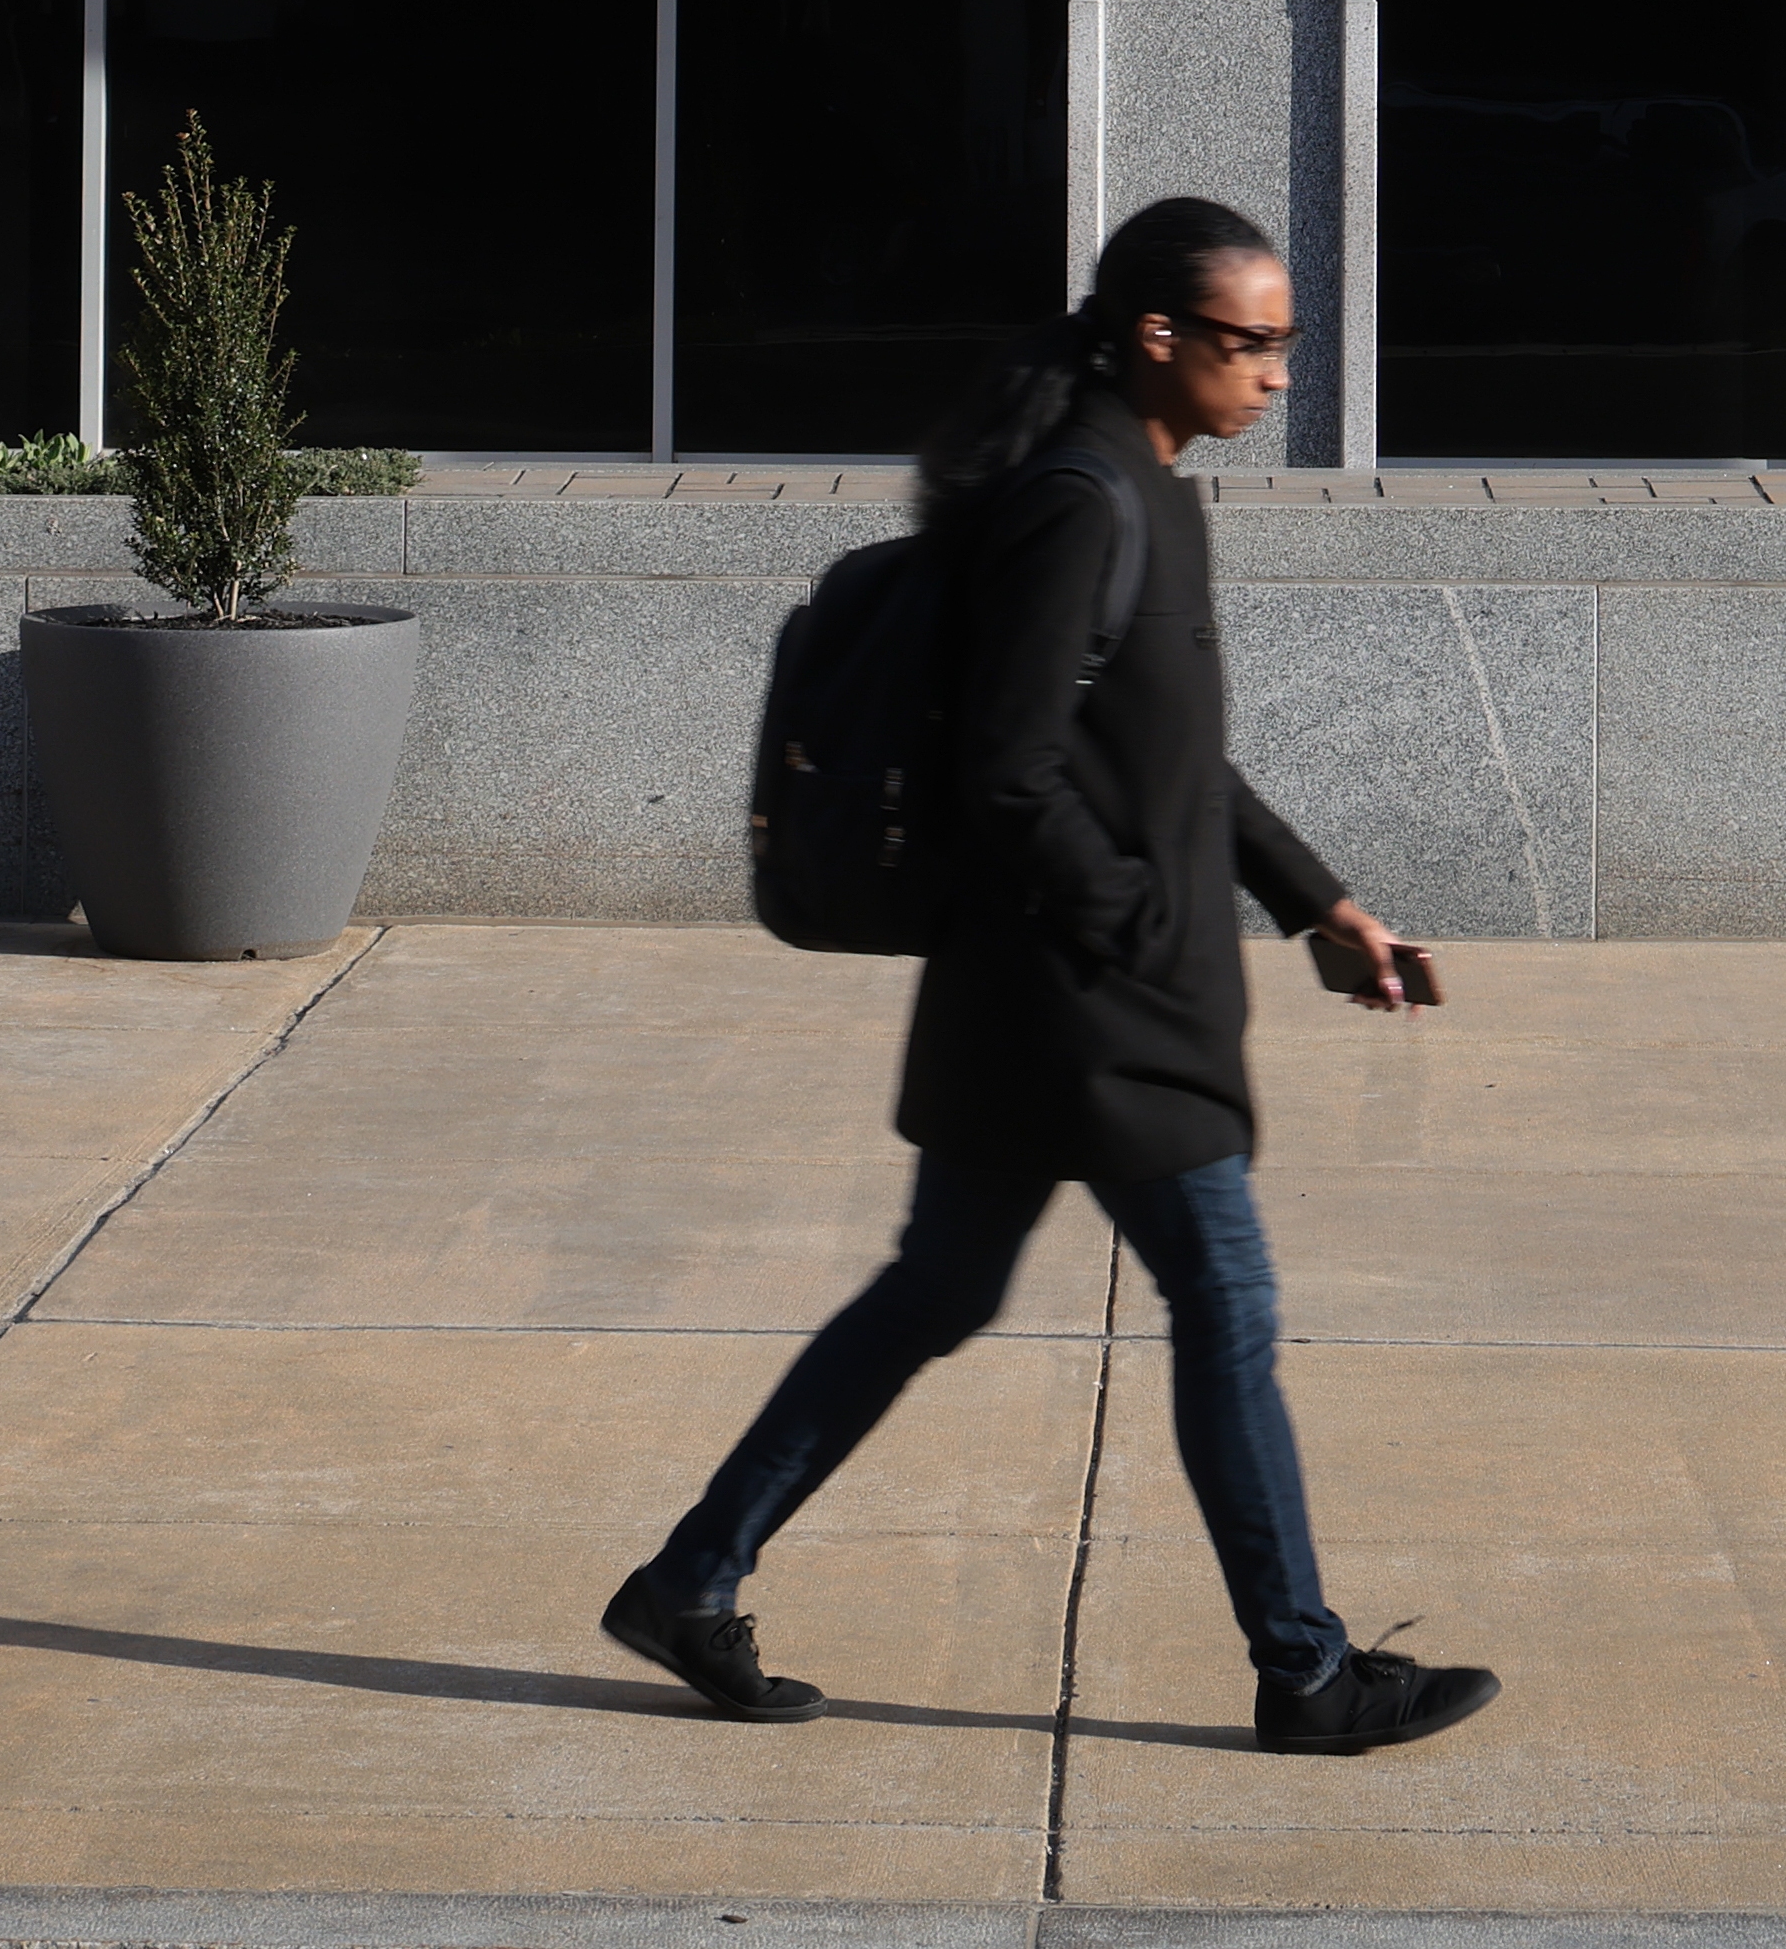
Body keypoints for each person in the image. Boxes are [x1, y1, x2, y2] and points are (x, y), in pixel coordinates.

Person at [604, 198, 1499, 1758]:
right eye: (1255, 341)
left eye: (1285, 341)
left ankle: (691, 1577)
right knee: (1225, 1303)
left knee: (933, 1293)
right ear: (1160, 334)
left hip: (1048, 995)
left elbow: (1169, 752)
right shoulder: (1081, 497)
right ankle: (1303, 1671)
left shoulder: (1140, 482)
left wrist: (1316, 903)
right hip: (1090, 1006)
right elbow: (1008, 772)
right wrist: (1130, 924)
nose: (1278, 374)